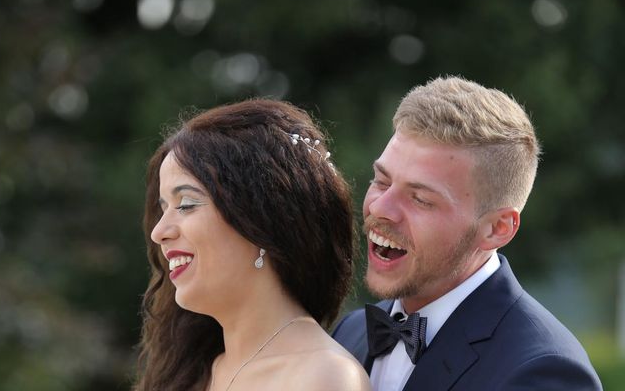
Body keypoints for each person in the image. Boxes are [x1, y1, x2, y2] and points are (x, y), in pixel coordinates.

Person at [332, 76, 603, 391]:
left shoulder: (543, 373)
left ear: (496, 229)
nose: (380, 209)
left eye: (420, 198)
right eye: (381, 180)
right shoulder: (348, 335)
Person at [134, 99, 371, 391]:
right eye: (163, 208)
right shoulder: (192, 370)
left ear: (261, 221)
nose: (159, 232)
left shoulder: (322, 376)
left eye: (186, 204)